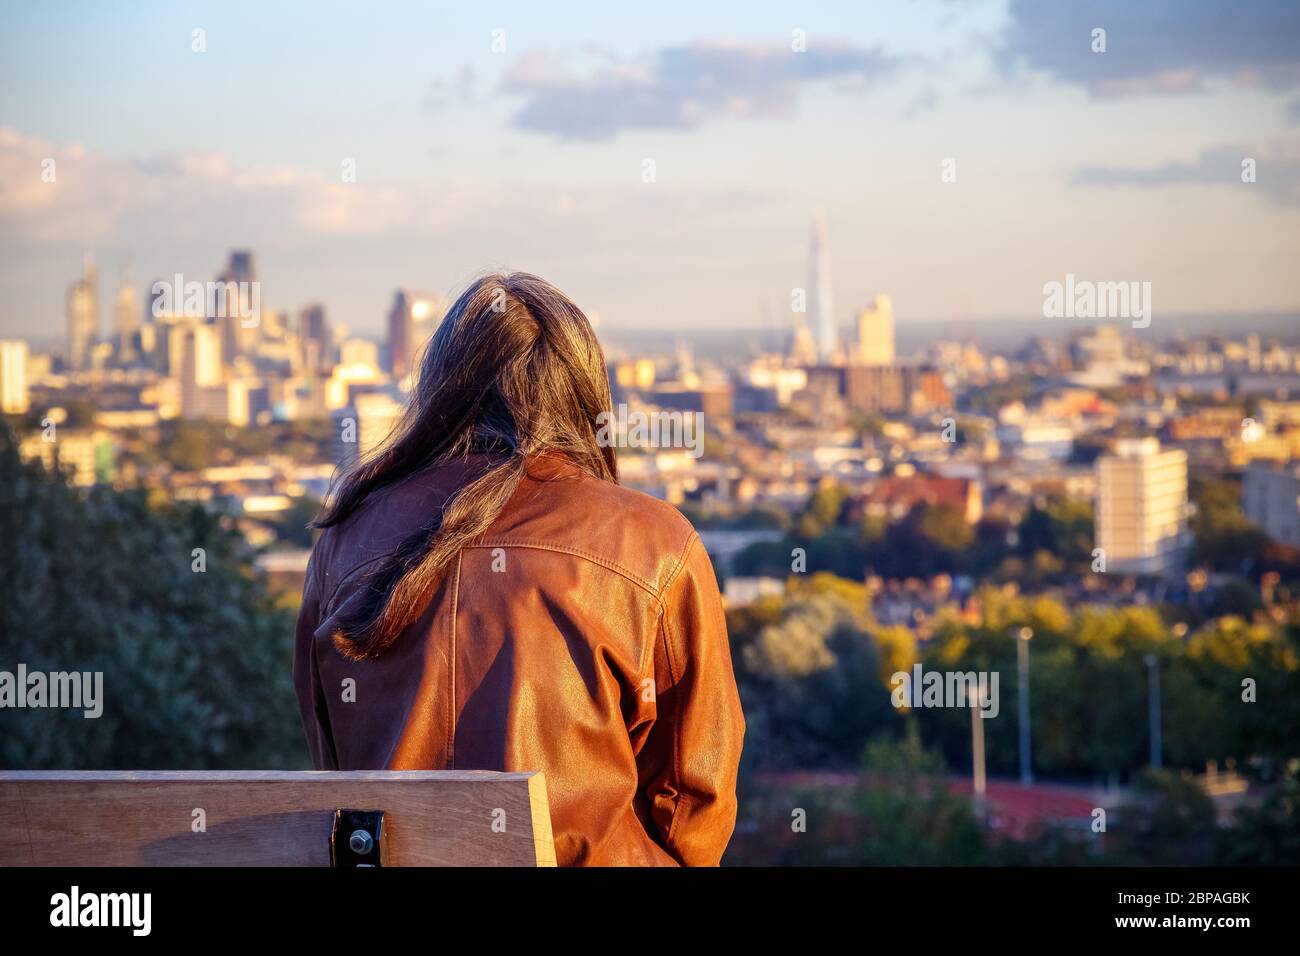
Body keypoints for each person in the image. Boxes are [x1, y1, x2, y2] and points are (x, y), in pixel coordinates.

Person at [293, 272, 745, 865]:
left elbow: (336, 757)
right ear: (584, 390)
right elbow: (693, 794)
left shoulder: (347, 534)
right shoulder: (654, 544)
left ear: (439, 389)